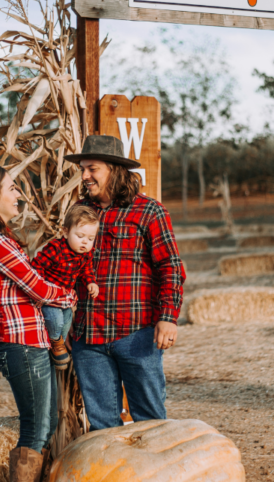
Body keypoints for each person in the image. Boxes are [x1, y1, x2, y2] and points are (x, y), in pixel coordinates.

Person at [0, 165, 73, 482]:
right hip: (21, 344)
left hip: (27, 342)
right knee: (37, 427)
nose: (19, 193)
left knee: (44, 422)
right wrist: (72, 297)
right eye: (11, 188)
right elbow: (38, 288)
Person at [62, 135, 185, 431]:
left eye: (92, 169)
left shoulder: (149, 211)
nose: (85, 176)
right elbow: (65, 267)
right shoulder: (79, 212)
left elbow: (170, 266)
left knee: (151, 422)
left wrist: (168, 318)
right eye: (82, 169)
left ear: (115, 170)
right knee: (103, 427)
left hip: (136, 335)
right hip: (88, 338)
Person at [30, 204, 100, 368]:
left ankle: (56, 343)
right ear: (65, 232)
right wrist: (40, 286)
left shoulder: (85, 254)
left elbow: (86, 270)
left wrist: (90, 282)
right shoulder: (56, 249)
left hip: (65, 296)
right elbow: (37, 265)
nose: (85, 242)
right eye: (80, 236)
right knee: (54, 318)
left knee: (67, 319)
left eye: (90, 239)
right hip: (49, 294)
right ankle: (56, 341)